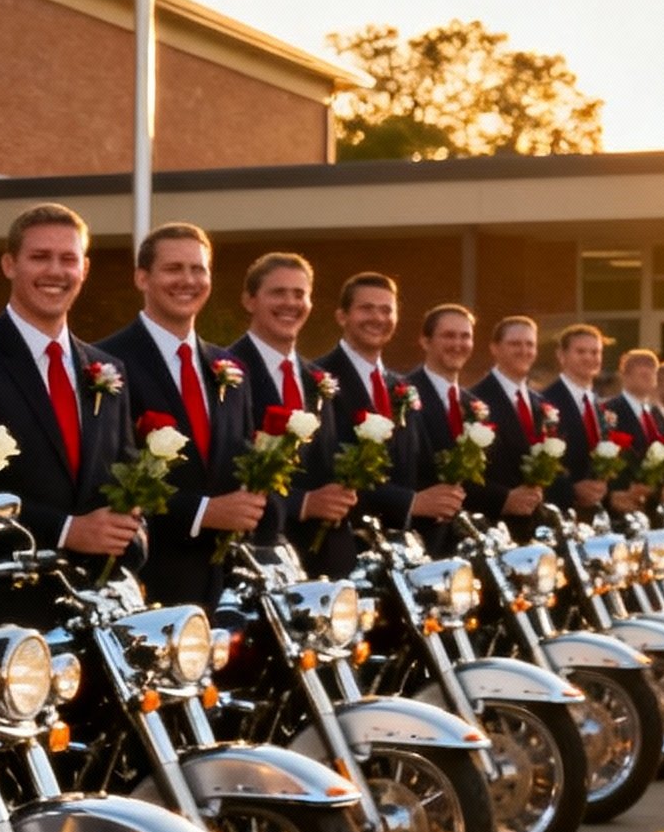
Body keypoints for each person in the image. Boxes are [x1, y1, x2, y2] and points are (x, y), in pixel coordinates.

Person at [0, 204, 144, 611]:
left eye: (68, 259)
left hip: (95, 606)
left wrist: (132, 533)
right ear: (9, 264)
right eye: (39, 257)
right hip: (6, 604)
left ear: (84, 269)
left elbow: (126, 475)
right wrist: (67, 531)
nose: (55, 271)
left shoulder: (108, 370)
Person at [95, 220, 269, 605]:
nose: (187, 280)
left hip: (225, 585)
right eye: (173, 269)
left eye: (198, 269)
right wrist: (202, 512)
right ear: (142, 277)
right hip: (147, 584)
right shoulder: (105, 366)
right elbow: (105, 480)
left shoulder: (230, 367)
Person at [300, 271, 465, 575]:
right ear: (342, 316)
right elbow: (327, 470)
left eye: (386, 310)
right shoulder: (317, 380)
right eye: (366, 308)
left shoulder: (400, 388)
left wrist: (444, 496)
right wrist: (410, 503)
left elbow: (417, 465)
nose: (377, 317)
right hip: (339, 553)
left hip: (400, 558)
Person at [226, 251, 352, 549]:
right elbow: (226, 470)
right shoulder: (227, 373)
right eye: (278, 293)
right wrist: (303, 503)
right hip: (254, 548)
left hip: (319, 555)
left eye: (300, 294)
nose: (290, 303)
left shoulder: (319, 379)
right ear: (249, 300)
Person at [402, 302, 480, 554]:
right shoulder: (403, 394)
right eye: (448, 335)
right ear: (425, 341)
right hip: (416, 540)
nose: (458, 344)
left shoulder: (474, 406)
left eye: (465, 336)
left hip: (462, 544)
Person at [467, 315, 553, 532]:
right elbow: (465, 474)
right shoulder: (473, 401)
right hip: (494, 525)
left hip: (537, 526)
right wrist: (504, 498)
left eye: (530, 344)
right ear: (495, 348)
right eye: (515, 344)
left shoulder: (541, 404)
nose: (524, 351)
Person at [538, 322, 611, 516]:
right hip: (558, 511)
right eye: (581, 352)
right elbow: (539, 461)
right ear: (561, 356)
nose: (589, 358)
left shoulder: (599, 406)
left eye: (595, 352)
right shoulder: (545, 402)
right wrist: (572, 489)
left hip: (594, 513)